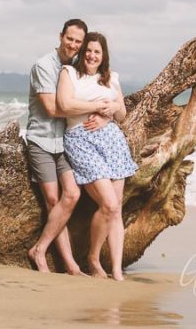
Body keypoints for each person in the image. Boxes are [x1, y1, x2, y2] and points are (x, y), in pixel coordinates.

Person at [26, 18, 109, 275]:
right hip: (41, 140)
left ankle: (41, 249)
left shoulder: (75, 67)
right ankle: (66, 263)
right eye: (69, 38)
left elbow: (99, 93)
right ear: (61, 35)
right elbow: (55, 108)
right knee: (53, 199)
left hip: (64, 142)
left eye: (78, 42)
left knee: (71, 195)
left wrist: (108, 111)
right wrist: (96, 106)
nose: (73, 45)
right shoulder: (44, 65)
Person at [57, 32, 137, 280]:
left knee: (116, 209)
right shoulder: (69, 73)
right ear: (83, 52)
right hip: (81, 140)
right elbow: (64, 105)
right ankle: (93, 258)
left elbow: (122, 113)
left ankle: (115, 269)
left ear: (104, 56)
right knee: (109, 203)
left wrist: (112, 109)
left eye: (97, 52)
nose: (92, 55)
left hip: (112, 141)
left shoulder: (111, 78)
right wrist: (97, 108)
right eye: (89, 50)